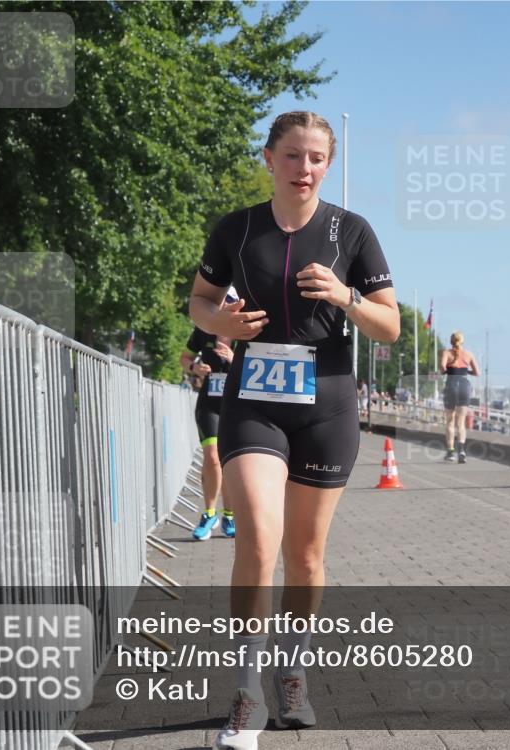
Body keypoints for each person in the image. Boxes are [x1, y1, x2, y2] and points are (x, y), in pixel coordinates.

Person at [188, 111, 399, 750]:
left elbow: (387, 326)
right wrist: (221, 327)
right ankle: (247, 695)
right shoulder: (237, 228)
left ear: (326, 165)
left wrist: (343, 296)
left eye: (316, 159)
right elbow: (199, 300)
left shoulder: (351, 231)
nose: (304, 169)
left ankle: (292, 670)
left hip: (327, 405)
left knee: (306, 556)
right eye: (292, 156)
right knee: (257, 534)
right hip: (254, 399)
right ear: (269, 158)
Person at [180, 289, 239, 541]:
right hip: (208, 406)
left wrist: (234, 358)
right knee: (213, 458)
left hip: (236, 407)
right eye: (220, 301)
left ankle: (229, 515)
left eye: (228, 301)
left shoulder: (244, 332)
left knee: (229, 463)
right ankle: (209, 513)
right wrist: (195, 367)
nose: (223, 305)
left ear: (236, 304)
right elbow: (184, 358)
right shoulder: (203, 330)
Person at [440, 331, 480, 463]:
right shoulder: (469, 354)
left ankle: (451, 452)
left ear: (451, 341)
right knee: (461, 422)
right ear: (462, 341)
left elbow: (442, 367)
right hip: (464, 386)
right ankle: (461, 450)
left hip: (451, 385)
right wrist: (465, 370)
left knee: (450, 421)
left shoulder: (447, 353)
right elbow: (477, 372)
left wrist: (447, 370)